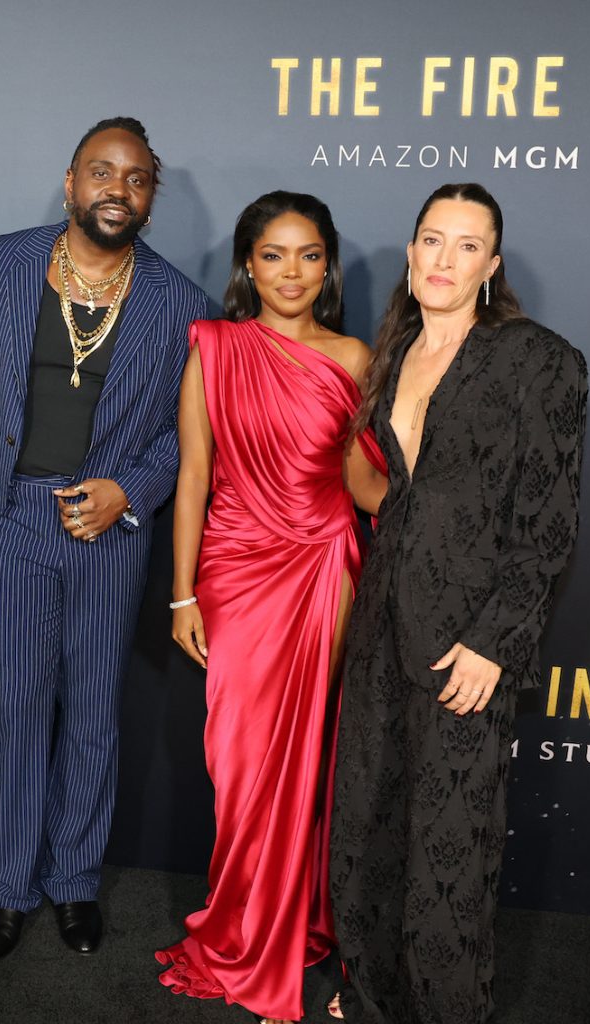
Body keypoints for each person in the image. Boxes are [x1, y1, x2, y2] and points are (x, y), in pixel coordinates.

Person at [0, 116, 210, 962]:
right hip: (13, 515)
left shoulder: (180, 303)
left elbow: (187, 434)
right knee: (20, 705)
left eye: (135, 180)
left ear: (149, 199)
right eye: (102, 173)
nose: (117, 190)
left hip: (111, 527)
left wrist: (129, 489)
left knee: (94, 712)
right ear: (70, 182)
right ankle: (10, 889)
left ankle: (74, 884)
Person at [327, 183, 587, 1024]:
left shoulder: (537, 358)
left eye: (466, 246)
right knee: (366, 825)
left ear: (492, 265)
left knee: (449, 847)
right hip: (379, 627)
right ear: (410, 253)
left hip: (467, 643)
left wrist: (496, 641)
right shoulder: (393, 354)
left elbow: (547, 525)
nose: (443, 260)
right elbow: (390, 493)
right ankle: (369, 996)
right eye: (431, 240)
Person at [156, 192, 388, 1024]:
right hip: (234, 571)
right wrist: (182, 590)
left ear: (327, 266)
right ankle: (241, 929)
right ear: (247, 265)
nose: (292, 273)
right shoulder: (213, 348)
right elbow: (193, 474)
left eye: (309, 256)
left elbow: (363, 485)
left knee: (307, 770)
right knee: (245, 766)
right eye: (274, 255)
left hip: (326, 567)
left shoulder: (356, 357)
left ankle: (286, 930)